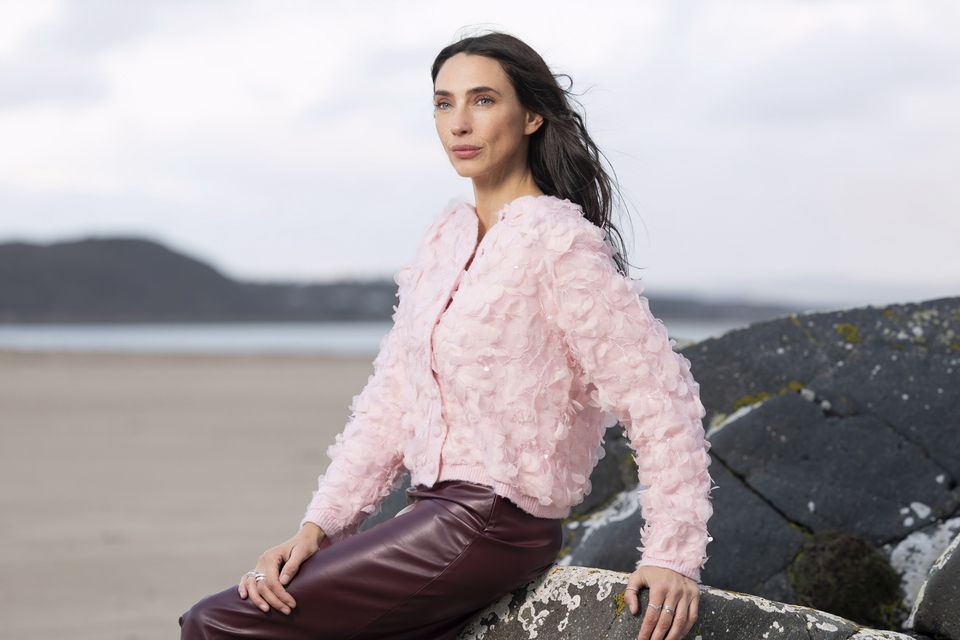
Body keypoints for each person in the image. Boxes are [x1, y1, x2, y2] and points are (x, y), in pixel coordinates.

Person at [179, 29, 715, 640]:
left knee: (216, 623)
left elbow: (659, 395)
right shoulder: (446, 239)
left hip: (493, 522)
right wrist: (320, 526)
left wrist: (671, 554)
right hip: (432, 514)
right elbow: (391, 402)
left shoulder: (557, 243)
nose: (459, 122)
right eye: (443, 103)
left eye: (483, 100)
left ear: (532, 115)